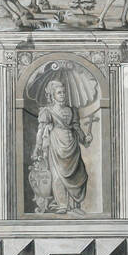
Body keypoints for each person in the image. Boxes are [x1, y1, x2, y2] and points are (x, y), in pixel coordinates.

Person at [32, 80, 90, 215]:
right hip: (56, 144)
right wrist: (37, 147)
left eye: (64, 92)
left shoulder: (72, 110)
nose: (62, 95)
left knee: (79, 175)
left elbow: (77, 128)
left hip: (72, 145)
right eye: (59, 93)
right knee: (57, 175)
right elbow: (41, 130)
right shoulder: (47, 111)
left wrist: (84, 139)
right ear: (53, 95)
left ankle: (74, 205)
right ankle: (62, 204)